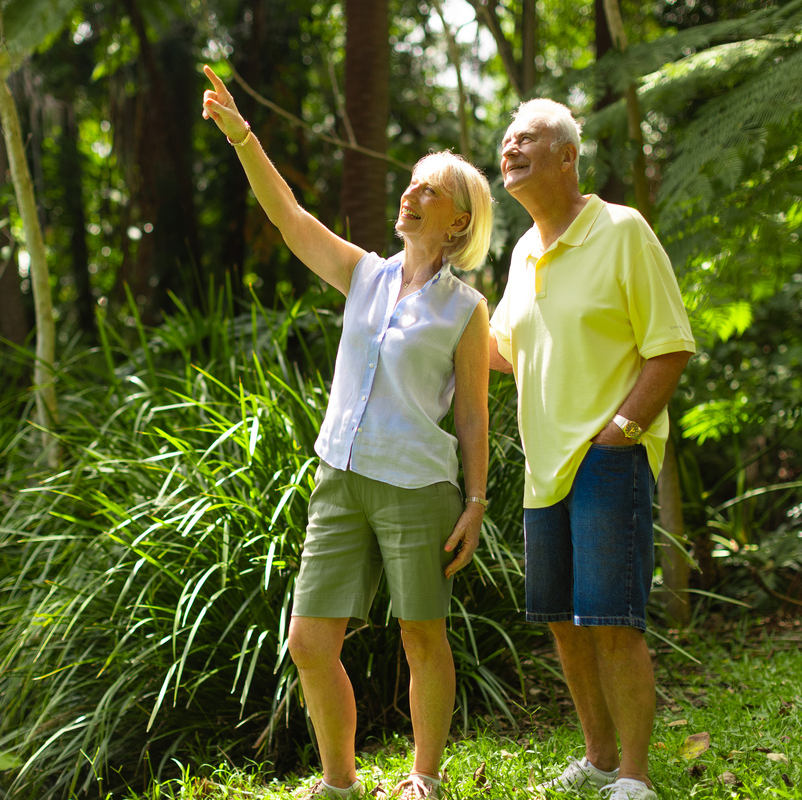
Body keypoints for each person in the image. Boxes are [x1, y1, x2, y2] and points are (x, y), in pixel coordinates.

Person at [202, 66, 492, 800]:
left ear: (458, 220)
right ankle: (340, 781)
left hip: (419, 485)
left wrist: (477, 501)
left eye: (429, 188)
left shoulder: (466, 308)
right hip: (340, 477)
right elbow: (289, 217)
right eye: (412, 183)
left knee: (422, 636)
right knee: (308, 642)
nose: (411, 192)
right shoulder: (363, 274)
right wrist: (242, 134)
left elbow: (472, 413)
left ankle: (423, 778)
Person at [488, 99, 695, 800]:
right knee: (563, 623)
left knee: (611, 619)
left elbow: (669, 347)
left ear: (568, 155)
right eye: (506, 140)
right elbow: (506, 352)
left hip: (608, 458)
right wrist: (429, 306)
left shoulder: (622, 231)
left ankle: (635, 775)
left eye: (528, 139)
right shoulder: (521, 251)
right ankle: (600, 757)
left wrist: (622, 433)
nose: (510, 148)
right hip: (542, 469)